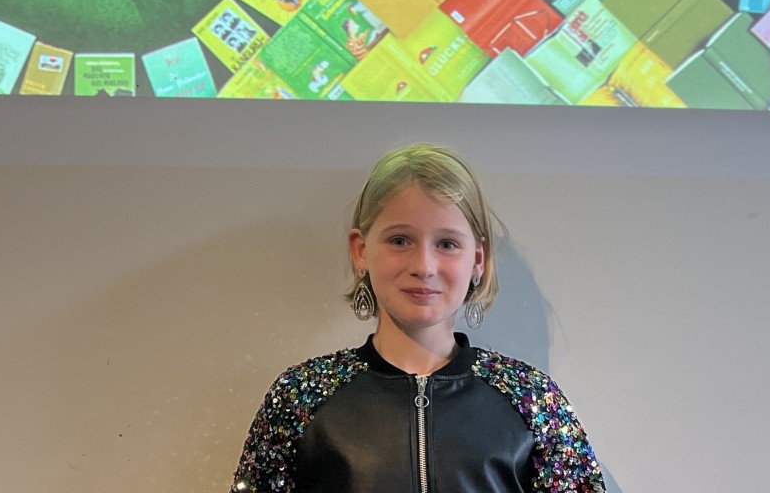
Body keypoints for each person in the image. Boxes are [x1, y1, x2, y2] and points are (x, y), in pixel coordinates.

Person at [230, 144, 604, 493]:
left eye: (447, 244)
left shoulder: (533, 399)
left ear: (477, 259)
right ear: (360, 251)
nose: (423, 266)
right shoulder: (301, 397)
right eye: (399, 241)